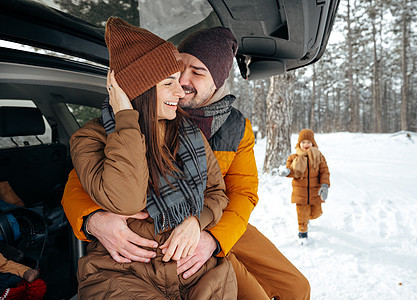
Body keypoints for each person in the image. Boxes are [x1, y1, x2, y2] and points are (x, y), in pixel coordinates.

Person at [63, 26, 311, 299]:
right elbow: (81, 182)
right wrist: (92, 219)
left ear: (216, 81)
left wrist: (212, 238)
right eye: (178, 68)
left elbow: (241, 193)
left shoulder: (235, 127)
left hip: (219, 222)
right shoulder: (133, 122)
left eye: (198, 72)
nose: (182, 80)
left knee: (297, 288)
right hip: (160, 239)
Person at [68, 17, 236, 299]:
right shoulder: (90, 139)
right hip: (121, 275)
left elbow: (217, 193)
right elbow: (127, 200)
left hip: (196, 270)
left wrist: (196, 221)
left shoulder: (188, 133)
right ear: (140, 88)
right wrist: (126, 118)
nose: (180, 90)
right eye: (168, 82)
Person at [279, 129, 330, 243]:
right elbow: (291, 170)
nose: (306, 145)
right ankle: (302, 233)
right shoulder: (293, 157)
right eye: (303, 142)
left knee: (316, 213)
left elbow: (324, 171)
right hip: (300, 193)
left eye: (308, 142)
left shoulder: (319, 156)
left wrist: (325, 185)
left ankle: (308, 219)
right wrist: (286, 172)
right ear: (299, 143)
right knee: (302, 213)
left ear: (313, 143)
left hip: (315, 191)